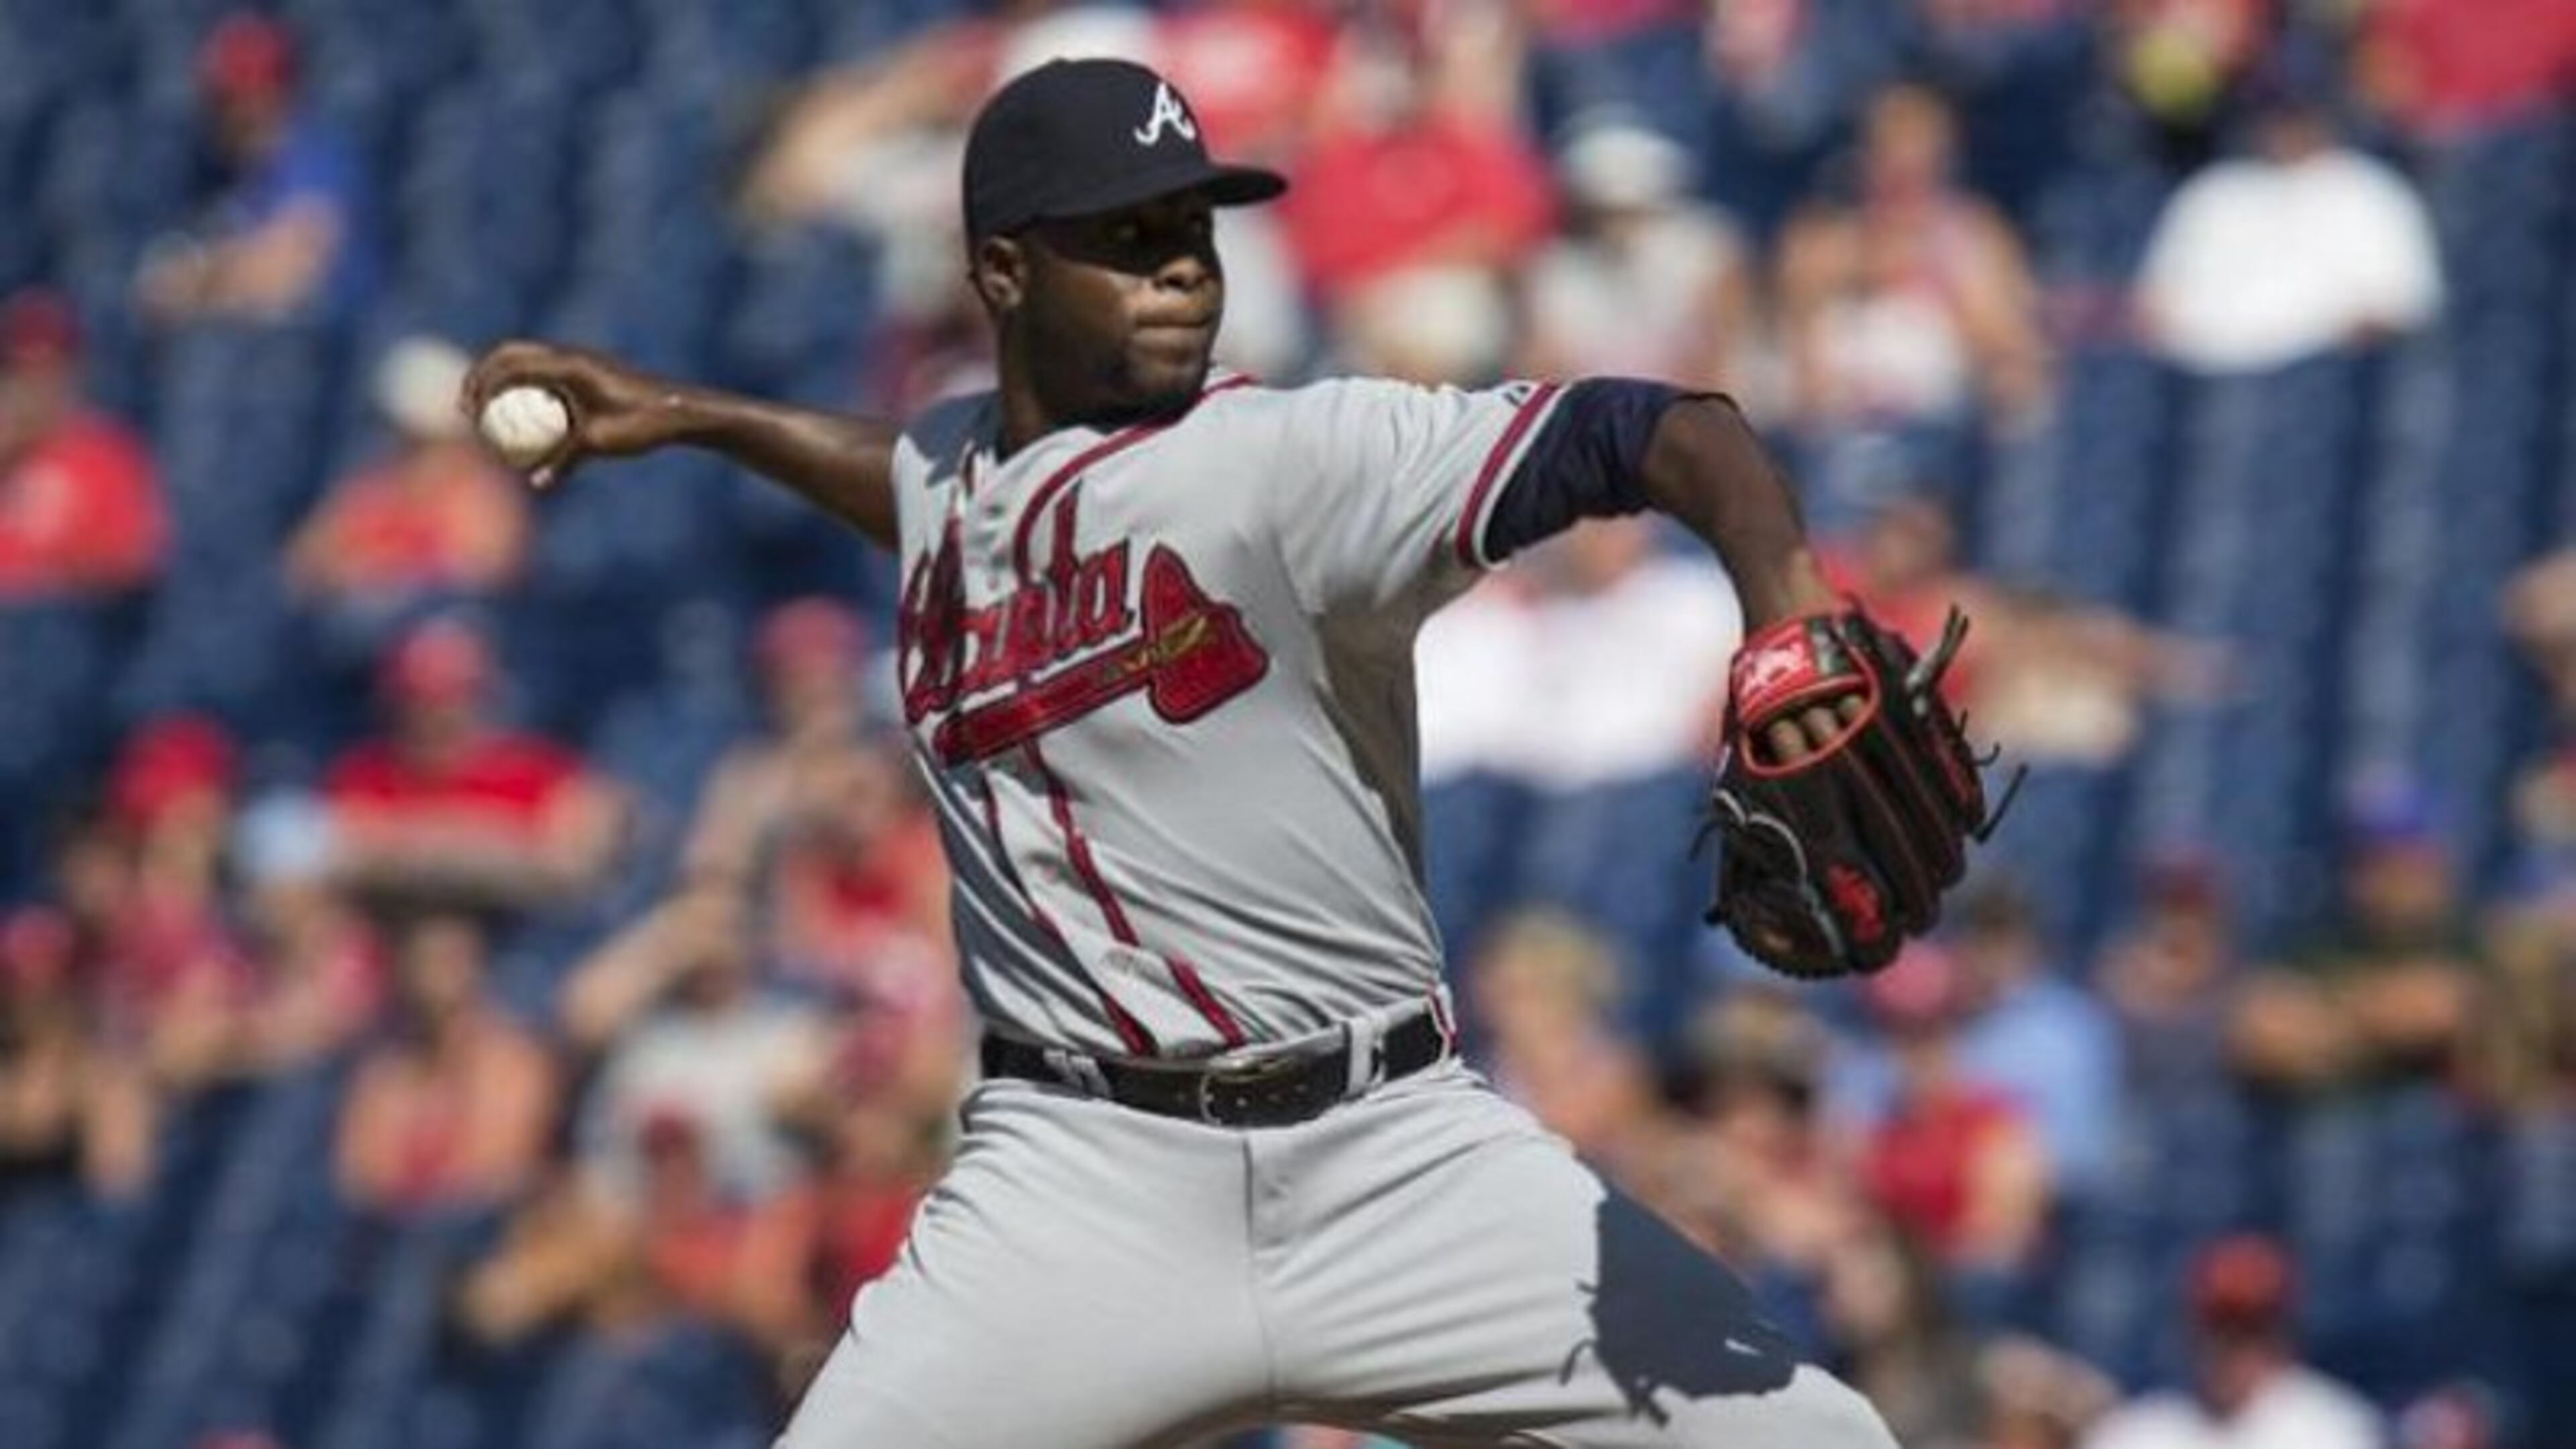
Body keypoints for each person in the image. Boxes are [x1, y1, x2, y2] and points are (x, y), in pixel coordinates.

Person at [462, 57, 1899, 1446]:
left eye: (1193, 232)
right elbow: (921, 482)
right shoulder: (957, 475)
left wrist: (1786, 605)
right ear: (1005, 275)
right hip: (1081, 1186)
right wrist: (700, 418)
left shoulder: (1297, 460)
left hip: (1394, 1159)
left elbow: (1656, 429)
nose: (1184, 269)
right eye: (1128, 238)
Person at [2080, 1235, 2383, 1449]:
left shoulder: (2336, 1430)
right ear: (2190, 1332)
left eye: (2252, 1332)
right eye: (2220, 1331)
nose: (2236, 1351)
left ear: (2284, 1336)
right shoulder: (2137, 1433)